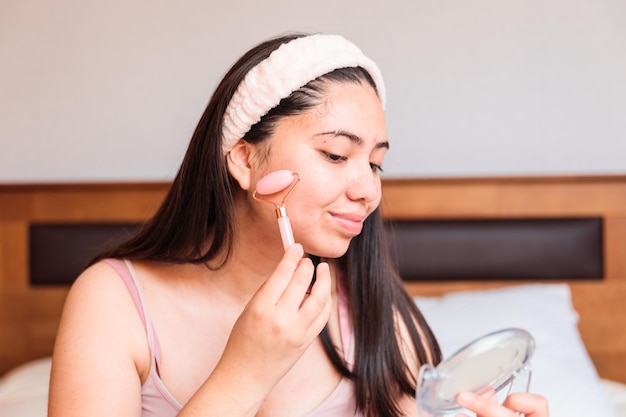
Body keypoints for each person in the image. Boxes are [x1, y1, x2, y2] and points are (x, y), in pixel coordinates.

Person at [48, 33, 549, 417]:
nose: (368, 191)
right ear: (244, 160)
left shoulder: (372, 309)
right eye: (335, 154)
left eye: (375, 164)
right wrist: (246, 371)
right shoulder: (114, 302)